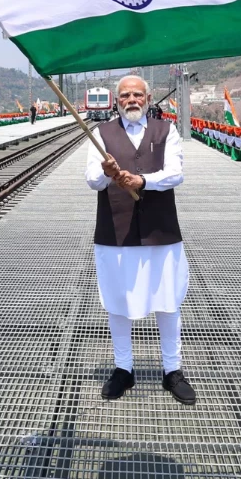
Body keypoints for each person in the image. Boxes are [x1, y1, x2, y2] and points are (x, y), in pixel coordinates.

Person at [84, 75, 196, 405]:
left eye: (137, 94)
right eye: (125, 95)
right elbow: (91, 179)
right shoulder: (101, 134)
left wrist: (142, 180)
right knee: (117, 302)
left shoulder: (167, 130)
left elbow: (176, 172)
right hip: (115, 231)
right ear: (116, 101)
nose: (131, 100)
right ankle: (123, 368)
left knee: (168, 300)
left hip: (160, 230)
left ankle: (172, 370)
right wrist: (106, 173)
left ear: (148, 98)